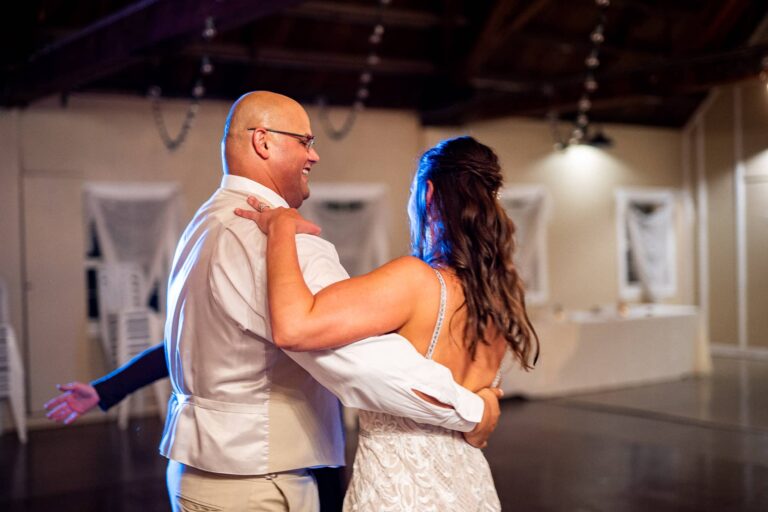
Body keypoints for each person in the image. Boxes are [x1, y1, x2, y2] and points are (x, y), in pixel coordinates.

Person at [44, 92, 501, 512]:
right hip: (255, 484)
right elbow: (360, 360)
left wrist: (109, 388)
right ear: (263, 141)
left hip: (194, 476)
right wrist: (473, 410)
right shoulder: (283, 243)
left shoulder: (203, 226)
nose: (314, 155)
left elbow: (204, 342)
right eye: (305, 141)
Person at [234, 135, 539, 511]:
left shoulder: (416, 281)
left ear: (427, 194)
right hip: (473, 491)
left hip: (399, 493)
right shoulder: (499, 298)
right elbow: (478, 430)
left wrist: (280, 229)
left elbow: (294, 327)